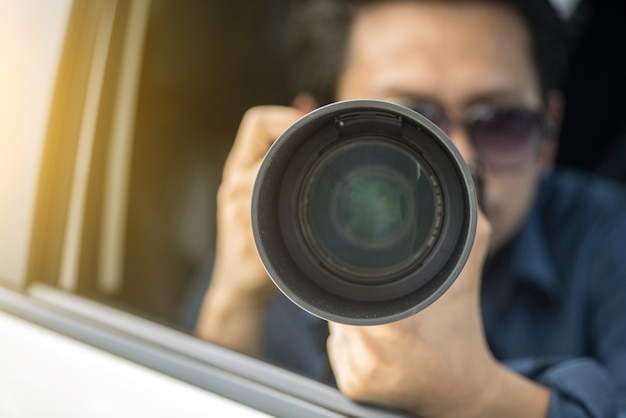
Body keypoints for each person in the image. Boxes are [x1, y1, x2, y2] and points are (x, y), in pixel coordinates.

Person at [195, 0, 626, 416]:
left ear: (548, 133)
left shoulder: (608, 236)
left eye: (501, 122)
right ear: (313, 127)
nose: (460, 156)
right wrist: (234, 304)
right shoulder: (277, 234)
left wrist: (482, 398)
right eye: (414, 120)